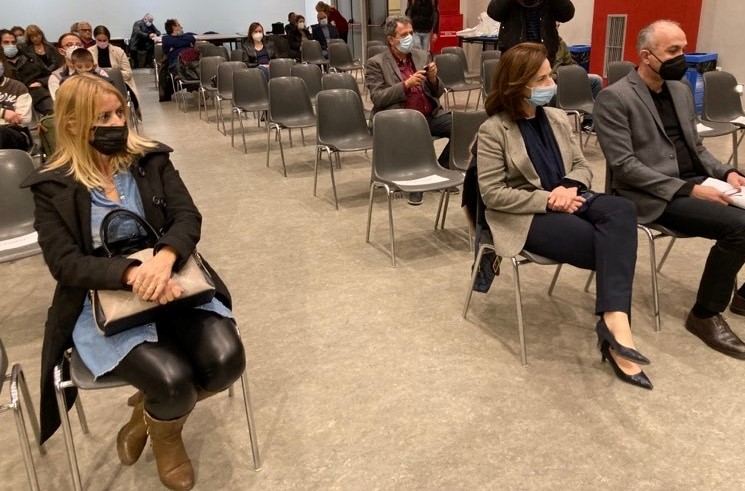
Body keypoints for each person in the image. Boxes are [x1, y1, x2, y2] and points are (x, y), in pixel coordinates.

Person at [21, 74, 246, 491]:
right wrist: (131, 274)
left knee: (226, 362)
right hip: (103, 295)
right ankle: (167, 438)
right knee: (172, 383)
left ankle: (146, 416)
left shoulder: (150, 159)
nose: (117, 123)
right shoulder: (51, 185)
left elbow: (186, 217)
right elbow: (65, 263)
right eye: (103, 117)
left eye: (119, 112)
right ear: (71, 123)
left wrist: (163, 260)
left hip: (172, 277)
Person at [477, 42, 651, 388]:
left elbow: (583, 165)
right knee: (607, 245)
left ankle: (614, 322)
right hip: (527, 213)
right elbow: (492, 194)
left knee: (624, 209)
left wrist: (569, 187)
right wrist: (549, 200)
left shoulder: (557, 118)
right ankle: (617, 331)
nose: (551, 84)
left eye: (550, 76)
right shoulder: (494, 130)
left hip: (571, 197)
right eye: (541, 79)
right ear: (517, 85)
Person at [594, 20, 745, 360]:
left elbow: (698, 148)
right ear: (646, 56)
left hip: (698, 180)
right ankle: (704, 315)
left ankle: (743, 296)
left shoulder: (679, 89)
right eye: (673, 51)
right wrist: (688, 190)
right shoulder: (614, 97)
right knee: (740, 227)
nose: (682, 57)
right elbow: (625, 167)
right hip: (651, 195)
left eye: (684, 48)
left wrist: (729, 172)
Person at [365, 15, 451, 206]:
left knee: (464, 127)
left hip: (429, 115)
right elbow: (378, 97)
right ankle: (416, 185)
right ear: (391, 40)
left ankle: (440, 169)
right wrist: (406, 85)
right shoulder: (376, 63)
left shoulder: (421, 56)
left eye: (411, 33)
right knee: (415, 133)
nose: (410, 38)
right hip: (399, 120)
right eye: (404, 35)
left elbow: (438, 92)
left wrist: (433, 79)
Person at [487, 0, 575, 65]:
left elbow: (567, 14)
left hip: (545, 55)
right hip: (514, 56)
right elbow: (493, 12)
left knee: (542, 83)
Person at [552, 23, 602, 130]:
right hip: (550, 83)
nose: (557, 27)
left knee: (596, 80)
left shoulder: (561, 44)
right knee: (553, 91)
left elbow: (570, 63)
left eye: (558, 26)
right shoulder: (538, 45)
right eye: (555, 25)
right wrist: (560, 76)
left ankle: (589, 121)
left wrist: (576, 72)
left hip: (564, 80)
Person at [0, 29, 53, 115]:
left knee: (54, 112)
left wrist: (40, 82)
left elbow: (49, 75)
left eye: (13, 42)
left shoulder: (31, 57)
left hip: (38, 94)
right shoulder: (1, 65)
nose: (11, 45)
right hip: (9, 99)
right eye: (6, 42)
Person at [90, 25, 141, 110]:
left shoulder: (119, 51)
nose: (102, 43)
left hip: (118, 83)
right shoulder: (89, 52)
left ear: (108, 39)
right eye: (99, 40)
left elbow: (128, 73)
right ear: (95, 38)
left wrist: (113, 76)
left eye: (104, 40)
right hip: (97, 84)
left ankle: (133, 110)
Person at [49, 33, 108, 100]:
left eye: (78, 45)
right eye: (69, 45)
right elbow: (59, 102)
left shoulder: (99, 71)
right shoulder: (56, 77)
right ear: (61, 51)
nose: (75, 47)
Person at [0, 52, 33, 150]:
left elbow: (23, 119)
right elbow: (9, 116)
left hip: (14, 133)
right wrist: (3, 113)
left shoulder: (18, 87)